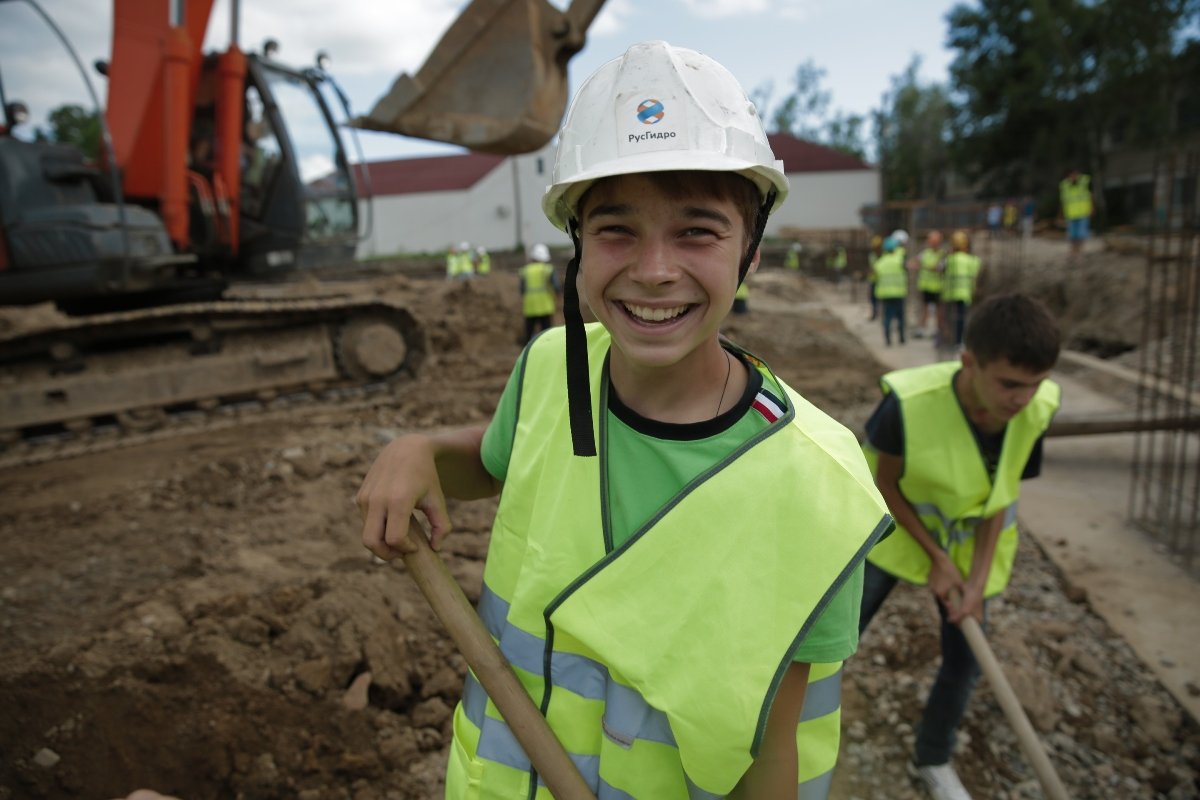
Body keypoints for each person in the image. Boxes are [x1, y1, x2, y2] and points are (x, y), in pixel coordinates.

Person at [356, 40, 891, 800]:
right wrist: (421, 452)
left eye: (697, 232)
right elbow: (502, 457)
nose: (653, 270)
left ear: (751, 254)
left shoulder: (814, 482)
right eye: (616, 230)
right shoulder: (551, 369)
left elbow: (773, 755)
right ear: (577, 245)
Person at [858, 292, 1062, 800]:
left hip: (973, 545)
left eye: (1034, 385)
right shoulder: (907, 405)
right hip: (897, 532)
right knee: (834, 635)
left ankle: (933, 756)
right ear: (968, 362)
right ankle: (787, 727)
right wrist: (938, 559)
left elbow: (1001, 496)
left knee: (964, 662)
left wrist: (974, 582)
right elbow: (885, 483)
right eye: (1010, 384)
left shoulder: (1035, 410)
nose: (1022, 398)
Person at [941, 230, 982, 350]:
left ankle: (950, 341)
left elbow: (939, 270)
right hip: (965, 294)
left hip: (949, 293)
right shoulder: (972, 260)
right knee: (962, 320)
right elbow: (975, 277)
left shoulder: (949, 259)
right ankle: (960, 342)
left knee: (950, 319)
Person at [518, 242, 560, 343]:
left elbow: (521, 290)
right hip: (545, 306)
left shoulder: (525, 270)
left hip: (530, 307)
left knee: (529, 332)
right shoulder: (548, 269)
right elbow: (556, 287)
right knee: (546, 333)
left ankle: (527, 350)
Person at [874, 236, 908, 346]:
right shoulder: (899, 260)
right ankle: (902, 337)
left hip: (885, 294)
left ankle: (888, 338)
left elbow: (875, 277)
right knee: (900, 317)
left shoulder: (880, 262)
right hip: (899, 293)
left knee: (887, 317)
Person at [914, 230, 946, 339]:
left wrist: (927, 267)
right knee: (925, 309)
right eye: (931, 241)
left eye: (935, 242)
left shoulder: (942, 254)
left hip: (937, 287)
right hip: (925, 286)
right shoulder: (925, 253)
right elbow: (915, 263)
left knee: (939, 310)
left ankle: (938, 330)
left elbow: (938, 268)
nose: (933, 244)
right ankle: (922, 329)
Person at [1059, 170, 1093, 260]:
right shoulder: (1065, 185)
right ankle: (1073, 252)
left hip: (1083, 213)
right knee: (1072, 235)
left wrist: (1092, 209)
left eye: (1075, 174)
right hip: (1070, 214)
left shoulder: (1085, 182)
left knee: (1081, 234)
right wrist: (1061, 213)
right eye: (1071, 175)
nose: (1073, 177)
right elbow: (1063, 201)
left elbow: (1091, 196)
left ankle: (1080, 251)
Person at [866, 234, 883, 321]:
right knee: (873, 299)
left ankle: (879, 314)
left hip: (881, 280)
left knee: (881, 298)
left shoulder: (883, 255)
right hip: (874, 280)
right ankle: (875, 313)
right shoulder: (872, 255)